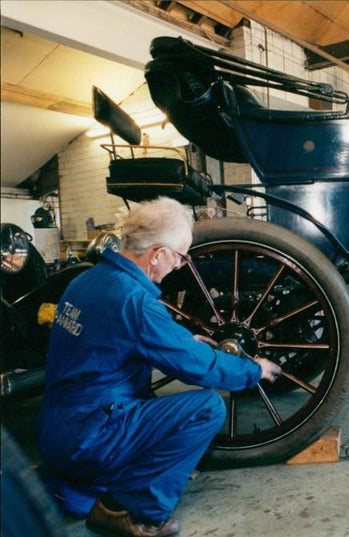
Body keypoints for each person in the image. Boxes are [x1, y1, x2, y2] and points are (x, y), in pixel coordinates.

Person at [37, 197, 282, 537]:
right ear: (158, 254)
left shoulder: (87, 280)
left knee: (150, 403)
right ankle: (130, 509)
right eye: (181, 256)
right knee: (206, 407)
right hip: (89, 439)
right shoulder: (133, 300)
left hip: (57, 431)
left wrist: (182, 340)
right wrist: (253, 370)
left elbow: (118, 340)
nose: (180, 265)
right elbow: (198, 368)